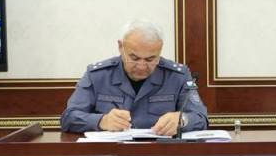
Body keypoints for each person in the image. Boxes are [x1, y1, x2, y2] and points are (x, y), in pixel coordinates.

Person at [60, 19, 208, 134]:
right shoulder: (97, 75)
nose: (142, 66)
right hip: (111, 155)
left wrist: (182, 120)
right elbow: (68, 118)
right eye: (134, 58)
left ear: (160, 50)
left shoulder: (178, 76)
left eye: (150, 59)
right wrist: (101, 121)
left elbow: (201, 118)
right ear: (120, 47)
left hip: (160, 155)